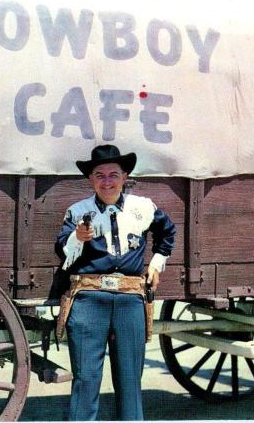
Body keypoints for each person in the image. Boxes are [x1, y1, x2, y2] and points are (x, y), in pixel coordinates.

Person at [55, 144, 176, 421]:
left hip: (130, 301)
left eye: (113, 175)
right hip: (88, 300)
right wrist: (78, 237)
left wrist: (157, 263)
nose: (106, 181)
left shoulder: (143, 207)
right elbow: (62, 248)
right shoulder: (77, 212)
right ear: (91, 179)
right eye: (100, 175)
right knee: (85, 378)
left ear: (125, 177)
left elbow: (167, 232)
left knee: (130, 380)